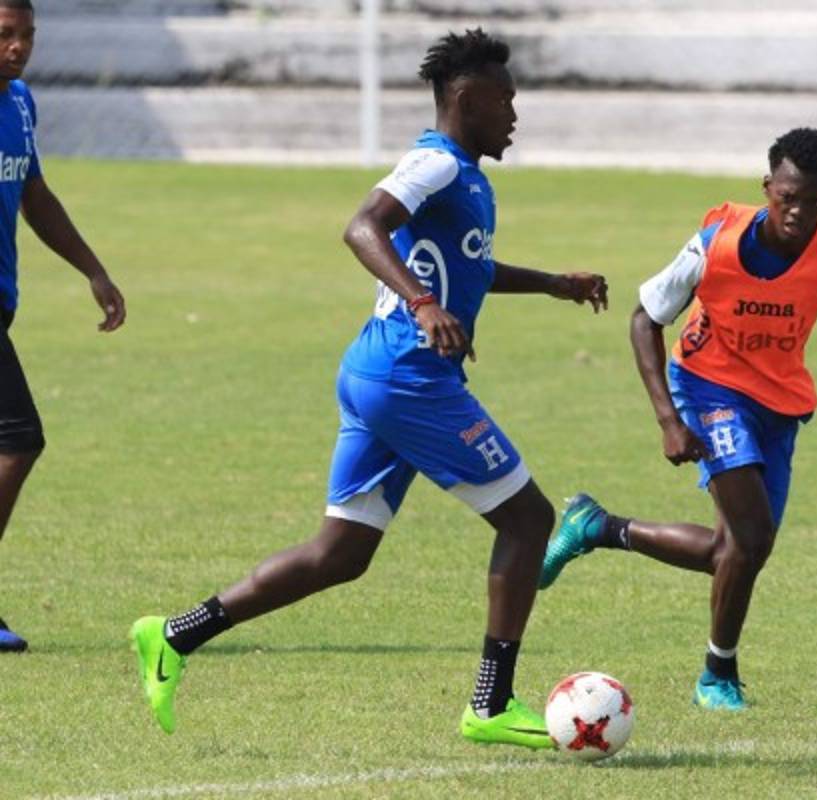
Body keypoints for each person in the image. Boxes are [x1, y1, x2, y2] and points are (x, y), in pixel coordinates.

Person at [129, 29, 608, 747]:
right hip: (408, 378)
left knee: (341, 553)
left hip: (380, 373)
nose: (515, 114)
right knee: (529, 521)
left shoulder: (468, 178)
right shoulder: (435, 164)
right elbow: (362, 226)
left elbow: (469, 266)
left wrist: (552, 285)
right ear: (469, 99)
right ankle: (490, 702)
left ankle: (173, 635)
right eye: (506, 100)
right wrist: (422, 303)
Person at [539, 128, 817, 710]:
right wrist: (668, 419)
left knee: (737, 550)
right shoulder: (718, 240)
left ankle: (599, 527)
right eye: (787, 196)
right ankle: (718, 675)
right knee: (752, 536)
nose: (797, 211)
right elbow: (644, 318)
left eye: (813, 200)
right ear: (767, 188)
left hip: (778, 401)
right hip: (708, 386)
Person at [0, 0, 126, 653]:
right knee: (18, 439)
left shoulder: (20, 103)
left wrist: (93, 270)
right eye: (5, 35)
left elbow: (34, 195)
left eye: (26, 35)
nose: (18, 47)